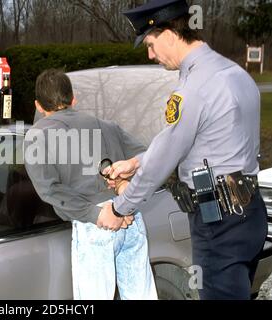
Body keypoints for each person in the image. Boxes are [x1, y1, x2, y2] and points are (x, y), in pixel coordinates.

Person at [101, 0, 268, 300]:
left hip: (218, 223)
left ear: (168, 34)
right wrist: (136, 163)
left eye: (150, 44)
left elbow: (165, 159)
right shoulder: (234, 73)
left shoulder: (194, 88)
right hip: (248, 214)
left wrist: (119, 207)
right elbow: (196, 140)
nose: (151, 55)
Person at [24, 69, 157, 300]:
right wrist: (125, 186)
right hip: (131, 219)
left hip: (96, 227)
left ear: (38, 105)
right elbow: (151, 159)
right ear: (73, 99)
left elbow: (50, 190)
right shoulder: (107, 126)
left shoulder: (38, 136)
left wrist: (96, 214)